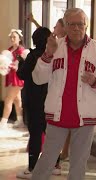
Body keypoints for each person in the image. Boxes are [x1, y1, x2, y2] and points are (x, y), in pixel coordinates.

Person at [30, 8, 96, 180]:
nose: (76, 28)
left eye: (80, 24)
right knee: (46, 161)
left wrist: (94, 82)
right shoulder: (54, 46)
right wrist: (48, 55)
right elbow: (37, 78)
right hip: (57, 115)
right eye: (72, 24)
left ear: (86, 25)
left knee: (78, 165)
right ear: (65, 26)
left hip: (86, 118)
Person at [16, 27, 62, 179]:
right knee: (51, 133)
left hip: (34, 100)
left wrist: (20, 62)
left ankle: (32, 167)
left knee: (35, 134)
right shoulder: (55, 55)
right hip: (51, 99)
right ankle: (55, 165)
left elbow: (22, 74)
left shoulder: (33, 55)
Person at [27, 12, 70, 161]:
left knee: (56, 129)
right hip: (49, 94)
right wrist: (33, 21)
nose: (53, 28)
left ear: (64, 28)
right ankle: (59, 157)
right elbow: (44, 32)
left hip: (55, 94)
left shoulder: (62, 47)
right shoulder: (54, 44)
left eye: (56, 26)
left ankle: (60, 156)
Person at [0, 29, 25, 129]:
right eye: (11, 37)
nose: (12, 39)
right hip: (11, 77)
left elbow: (23, 65)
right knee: (17, 100)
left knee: (8, 99)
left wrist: (16, 67)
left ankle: (3, 121)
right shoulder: (9, 50)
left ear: (19, 38)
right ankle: (20, 121)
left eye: (14, 37)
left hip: (18, 78)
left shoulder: (21, 50)